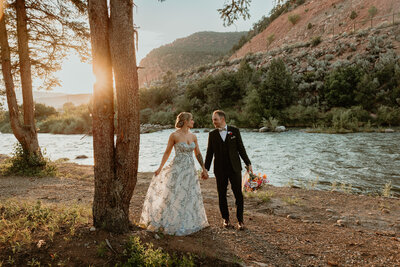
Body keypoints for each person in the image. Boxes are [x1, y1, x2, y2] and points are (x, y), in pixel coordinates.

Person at [140, 112, 209, 236]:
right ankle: (170, 221)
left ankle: (188, 222)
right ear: (186, 121)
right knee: (174, 194)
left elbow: (198, 153)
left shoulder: (193, 136)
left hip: (190, 170)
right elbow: (167, 152)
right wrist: (160, 167)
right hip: (178, 169)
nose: (193, 122)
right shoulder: (174, 135)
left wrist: (204, 168)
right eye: (191, 120)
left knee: (189, 194)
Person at [205, 110, 252, 230]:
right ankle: (225, 219)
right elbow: (209, 153)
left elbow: (241, 148)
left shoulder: (234, 131)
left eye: (215, 119)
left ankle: (240, 221)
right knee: (221, 194)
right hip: (219, 169)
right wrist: (205, 169)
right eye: (213, 119)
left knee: (238, 194)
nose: (213, 122)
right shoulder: (212, 134)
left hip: (234, 167)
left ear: (222, 119)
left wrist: (248, 163)